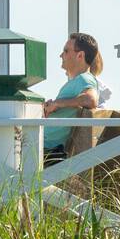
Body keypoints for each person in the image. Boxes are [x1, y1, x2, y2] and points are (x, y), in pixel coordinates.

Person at [42, 33, 103, 165]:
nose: (61, 55)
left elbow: (91, 99)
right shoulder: (78, 81)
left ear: (80, 55)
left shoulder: (85, 78)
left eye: (66, 51)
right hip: (45, 148)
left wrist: (57, 103)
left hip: (48, 150)